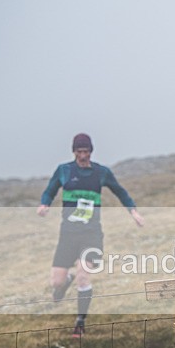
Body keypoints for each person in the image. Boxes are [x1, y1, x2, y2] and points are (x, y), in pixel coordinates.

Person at [37, 133, 145, 337]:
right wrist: (44, 204)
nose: (83, 156)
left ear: (91, 152)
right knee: (56, 282)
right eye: (79, 152)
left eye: (86, 151)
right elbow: (50, 190)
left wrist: (134, 212)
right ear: (74, 152)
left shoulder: (101, 173)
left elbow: (120, 192)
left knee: (83, 277)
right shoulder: (64, 171)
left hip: (91, 234)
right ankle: (65, 281)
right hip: (68, 234)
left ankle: (80, 322)